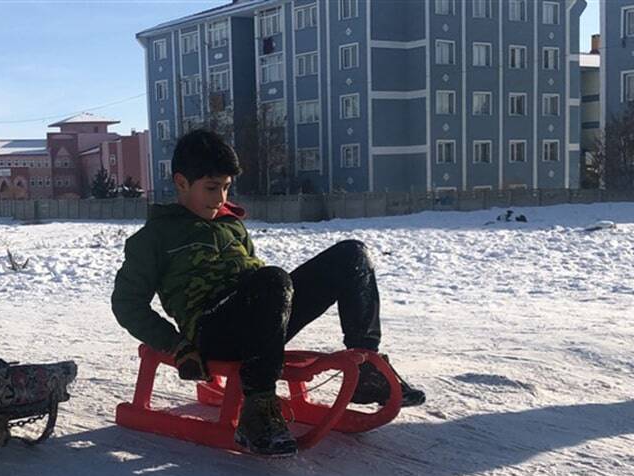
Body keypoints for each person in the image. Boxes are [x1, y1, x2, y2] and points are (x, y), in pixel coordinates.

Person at [111, 129, 424, 456]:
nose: (220, 198)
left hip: (262, 315)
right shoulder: (154, 238)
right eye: (211, 188)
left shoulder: (230, 224)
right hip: (213, 330)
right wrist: (177, 345)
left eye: (227, 187)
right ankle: (258, 408)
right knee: (272, 279)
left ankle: (366, 368)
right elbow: (126, 303)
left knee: (352, 255)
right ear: (181, 182)